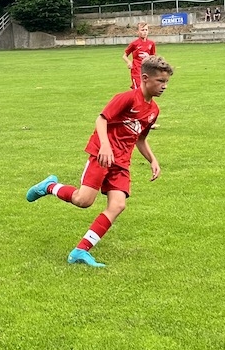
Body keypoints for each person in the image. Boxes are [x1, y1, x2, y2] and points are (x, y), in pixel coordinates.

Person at [25, 54, 172, 268]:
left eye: (166, 82)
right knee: (83, 200)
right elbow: (101, 119)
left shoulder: (153, 110)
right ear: (145, 78)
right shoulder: (127, 98)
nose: (164, 86)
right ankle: (49, 186)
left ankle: (80, 251)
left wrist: (152, 159)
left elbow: (140, 139)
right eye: (160, 81)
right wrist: (104, 145)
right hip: (102, 156)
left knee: (118, 205)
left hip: (122, 162)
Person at [122, 21, 156, 90]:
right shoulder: (134, 44)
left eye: (146, 30)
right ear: (138, 31)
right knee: (138, 90)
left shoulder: (151, 43)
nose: (145, 32)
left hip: (147, 70)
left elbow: (153, 57)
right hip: (136, 71)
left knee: (147, 90)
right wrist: (129, 62)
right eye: (142, 30)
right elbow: (124, 56)